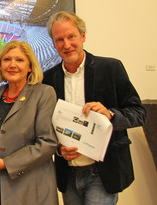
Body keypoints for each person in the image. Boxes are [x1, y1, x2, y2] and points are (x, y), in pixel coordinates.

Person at [43, 11, 147, 205]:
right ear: (53, 44)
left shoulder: (110, 68)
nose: (66, 45)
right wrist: (58, 149)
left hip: (102, 171)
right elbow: (46, 126)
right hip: (69, 173)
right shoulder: (48, 79)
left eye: (71, 36)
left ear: (83, 36)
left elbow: (139, 113)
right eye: (59, 39)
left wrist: (110, 114)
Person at [0, 40, 59, 205]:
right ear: (0, 65)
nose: (12, 65)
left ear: (30, 67)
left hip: (28, 188)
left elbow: (47, 143)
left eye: (19, 60)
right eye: (7, 60)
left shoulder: (44, 93)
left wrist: (6, 163)